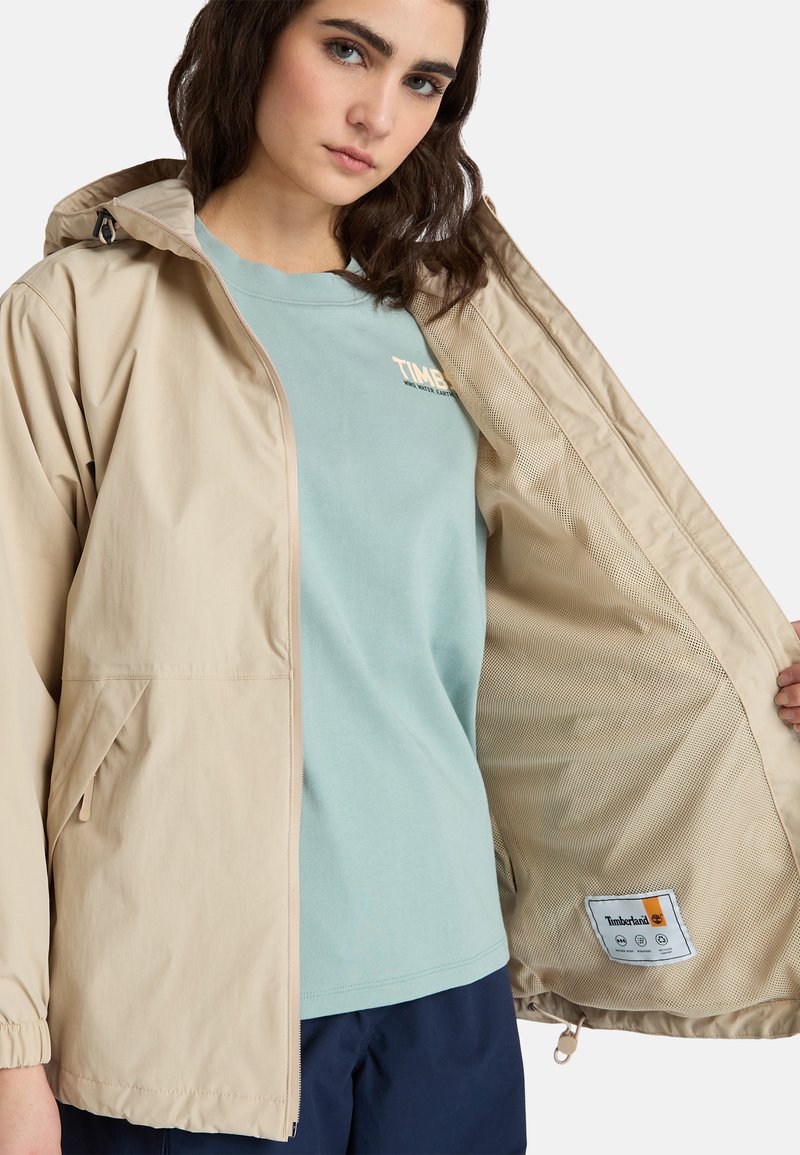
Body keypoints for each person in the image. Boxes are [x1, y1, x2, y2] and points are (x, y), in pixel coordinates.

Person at [1, 1, 799, 1154]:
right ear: (252, 36)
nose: (378, 112)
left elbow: (575, 614)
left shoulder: (456, 320)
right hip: (181, 1004)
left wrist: (755, 679)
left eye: (424, 81)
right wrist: (12, 1051)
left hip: (448, 992)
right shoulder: (78, 315)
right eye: (346, 50)